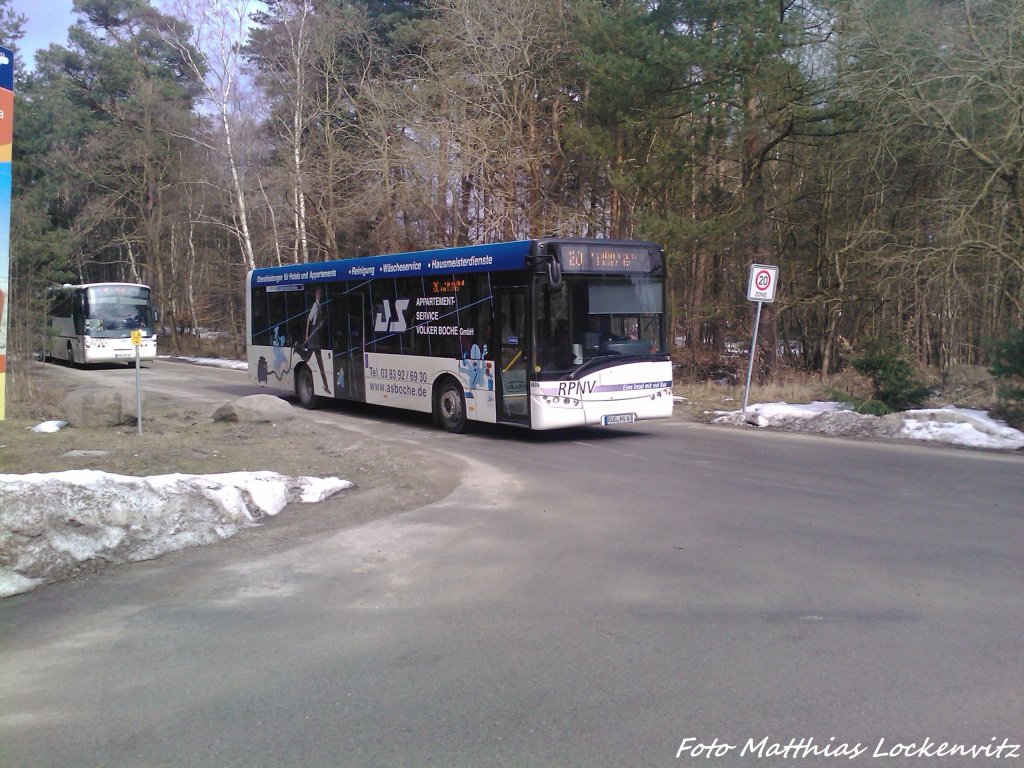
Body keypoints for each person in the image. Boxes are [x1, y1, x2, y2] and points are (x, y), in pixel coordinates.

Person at [303, 287, 331, 393]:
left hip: (317, 336)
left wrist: (321, 325)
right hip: (313, 336)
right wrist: (307, 334)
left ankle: (326, 386)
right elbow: (309, 320)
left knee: (319, 362)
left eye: (321, 295)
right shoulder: (315, 306)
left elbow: (319, 322)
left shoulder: (321, 307)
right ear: (316, 295)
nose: (320, 296)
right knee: (307, 358)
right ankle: (297, 349)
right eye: (319, 294)